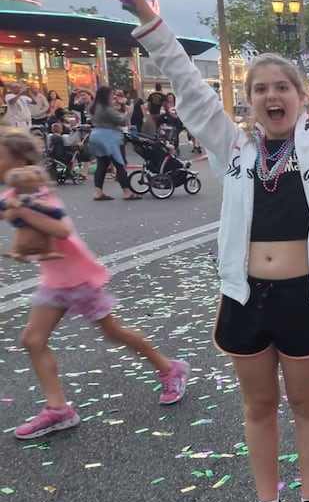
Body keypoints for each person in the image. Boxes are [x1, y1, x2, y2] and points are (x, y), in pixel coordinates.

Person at [97, 0, 309, 502]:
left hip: (304, 297)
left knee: (307, 404)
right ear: (247, 101)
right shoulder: (234, 150)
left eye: (282, 88)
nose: (271, 96)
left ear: (300, 98)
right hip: (245, 296)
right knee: (258, 406)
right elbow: (192, 92)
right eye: (260, 89)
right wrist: (149, 20)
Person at [0, 129, 189, 440]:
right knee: (33, 340)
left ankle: (170, 368)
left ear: (19, 162)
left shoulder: (37, 193)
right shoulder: (12, 195)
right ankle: (59, 409)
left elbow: (60, 230)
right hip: (54, 280)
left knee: (113, 332)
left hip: (77, 278)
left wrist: (21, 211)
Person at [88, 86, 139, 201]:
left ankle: (98, 192)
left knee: (102, 164)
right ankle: (127, 192)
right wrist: (129, 112)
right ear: (106, 95)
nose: (113, 97)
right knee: (119, 164)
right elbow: (122, 121)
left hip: (96, 134)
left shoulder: (93, 107)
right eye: (111, 94)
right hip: (109, 137)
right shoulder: (107, 108)